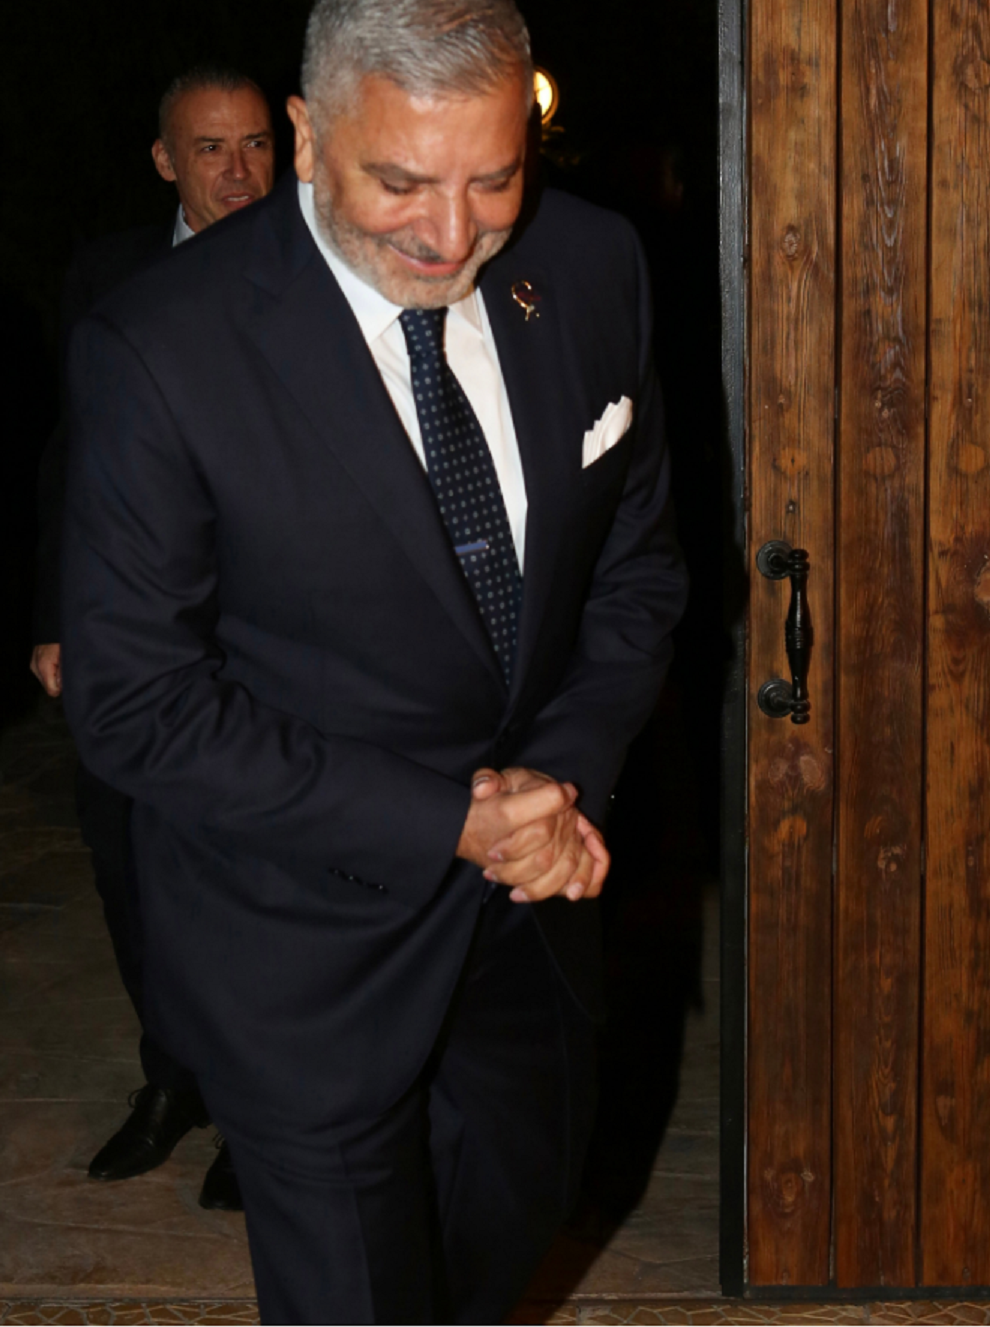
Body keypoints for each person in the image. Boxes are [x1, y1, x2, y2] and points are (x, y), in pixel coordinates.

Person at [61, 0, 688, 1319]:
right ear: (305, 137)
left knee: (509, 1234)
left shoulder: (590, 266)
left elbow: (634, 575)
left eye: (494, 178)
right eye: (399, 181)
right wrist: (447, 817)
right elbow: (137, 705)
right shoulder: (160, 346)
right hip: (298, 940)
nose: (452, 235)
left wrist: (557, 785)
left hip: (531, 918)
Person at [32, 64, 274, 1211]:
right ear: (165, 160)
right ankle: (173, 1078)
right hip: (130, 631)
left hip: (269, 640)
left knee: (252, 879)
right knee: (125, 860)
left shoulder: (326, 270)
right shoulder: (108, 274)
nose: (240, 170)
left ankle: (256, 1108)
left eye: (258, 143)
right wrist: (54, 618)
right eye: (211, 148)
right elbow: (71, 455)